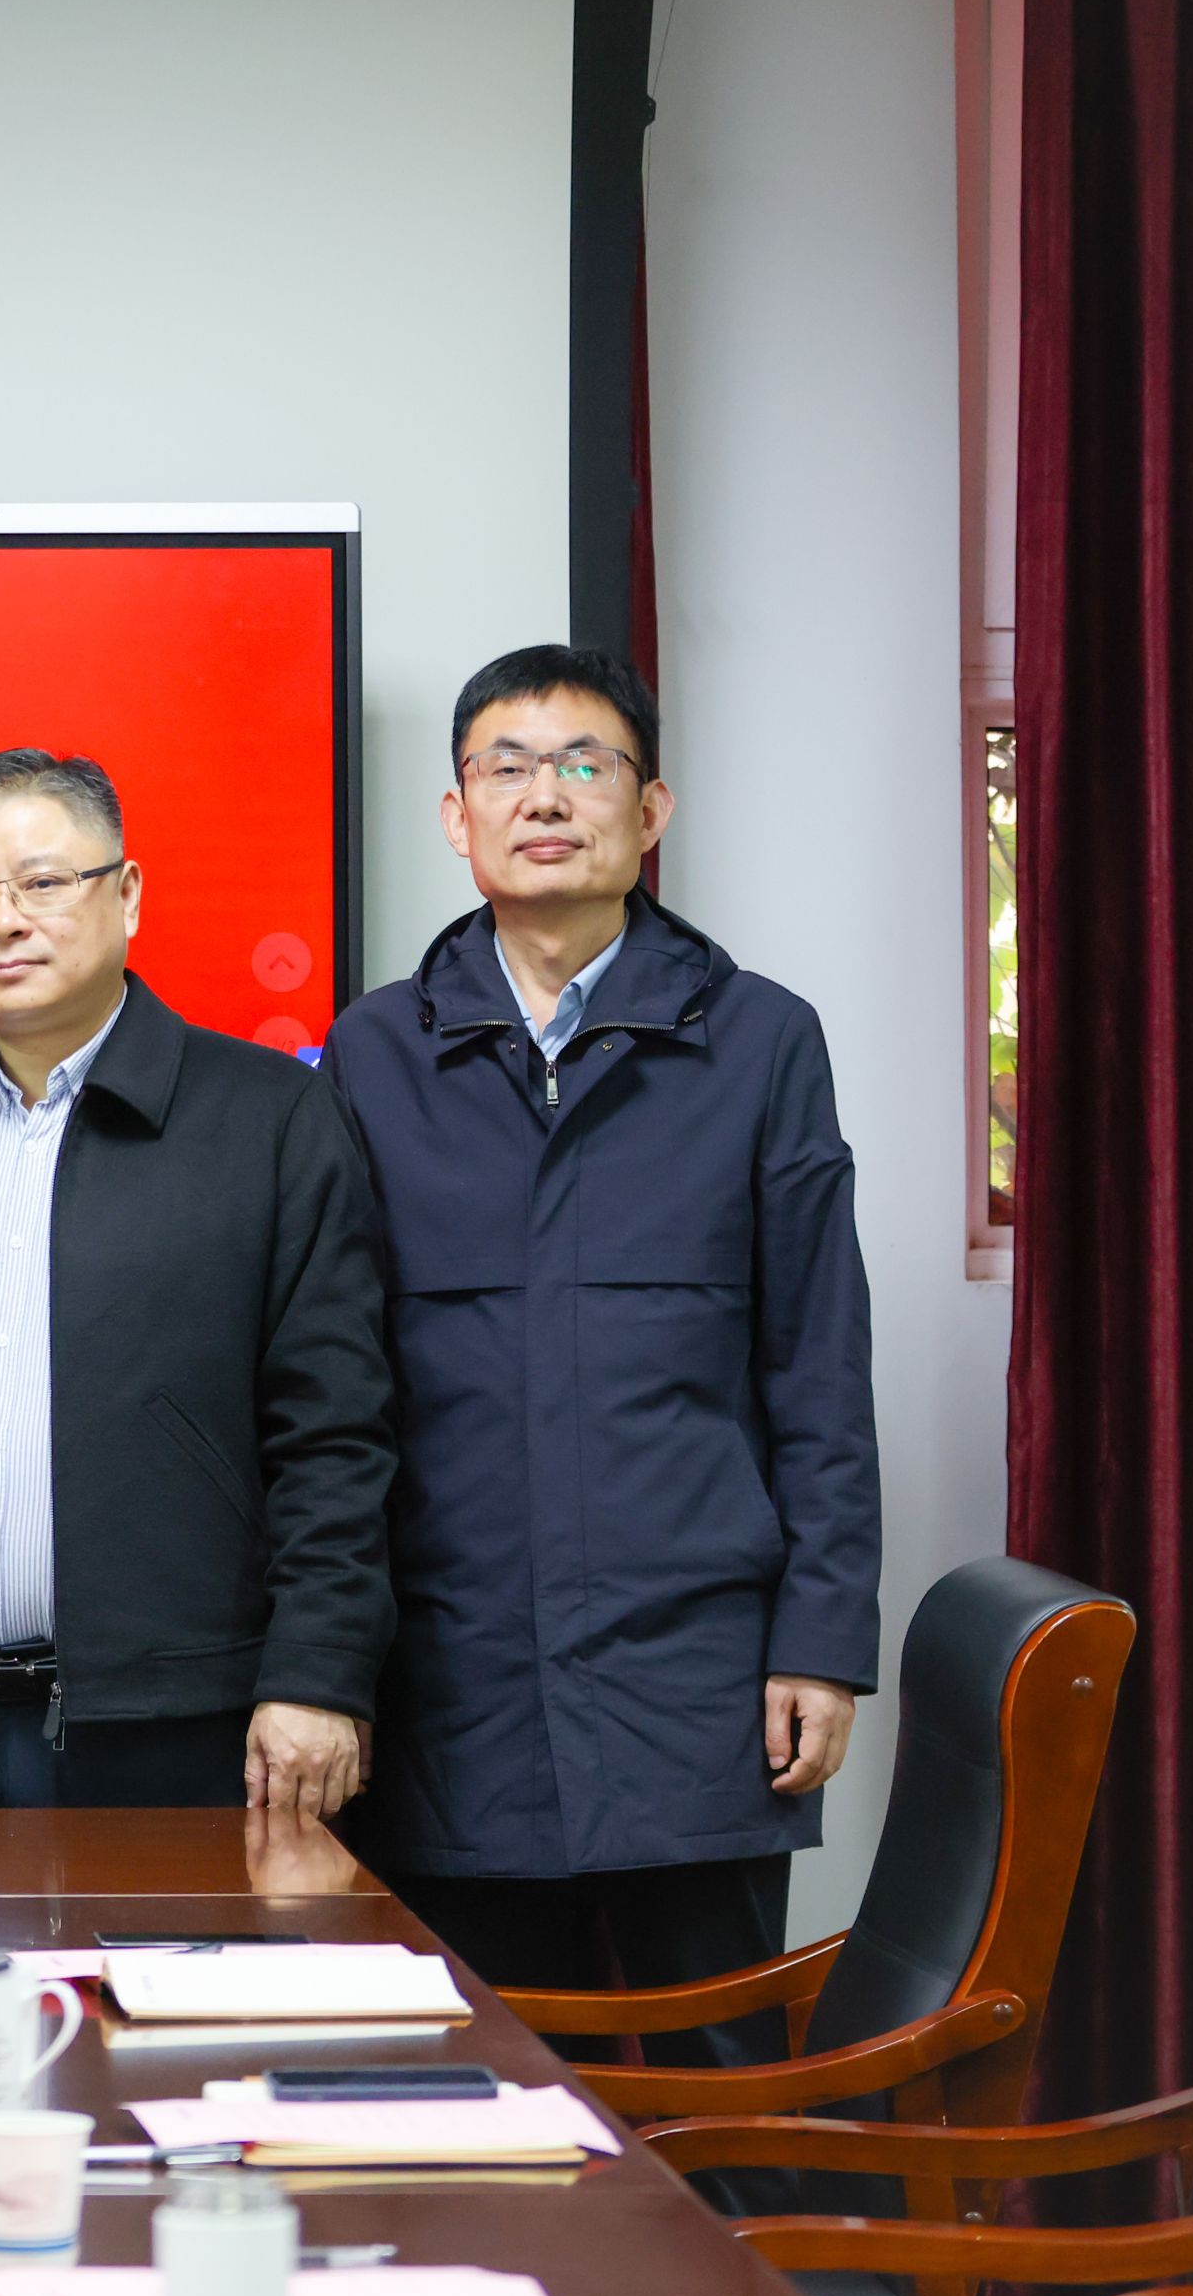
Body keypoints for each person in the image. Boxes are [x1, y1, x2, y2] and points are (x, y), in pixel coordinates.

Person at [324, 645, 878, 2049]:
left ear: (651, 808)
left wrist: (823, 1640)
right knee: (474, 2099)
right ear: (456, 815)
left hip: (696, 1681)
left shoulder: (761, 1041)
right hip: (450, 1680)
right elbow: (335, 1389)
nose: (545, 796)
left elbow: (818, 1361)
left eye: (586, 764)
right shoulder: (375, 1054)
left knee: (717, 2095)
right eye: (506, 767)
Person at [0, 749, 397, 1816]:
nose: (3, 920)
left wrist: (317, 1672)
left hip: (178, 1725)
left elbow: (335, 1427)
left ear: (128, 893)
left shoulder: (271, 1119)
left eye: (43, 882)